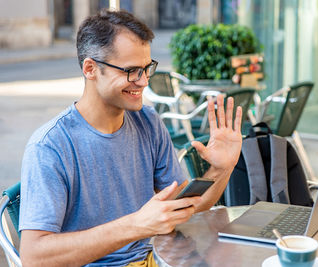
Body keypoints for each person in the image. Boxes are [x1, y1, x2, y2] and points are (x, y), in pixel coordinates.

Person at [19, 9, 243, 267]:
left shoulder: (148, 122)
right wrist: (135, 225)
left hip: (156, 259)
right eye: (131, 71)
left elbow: (184, 209)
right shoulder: (50, 146)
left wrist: (221, 169)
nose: (144, 81)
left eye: (147, 68)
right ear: (91, 69)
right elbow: (34, 257)